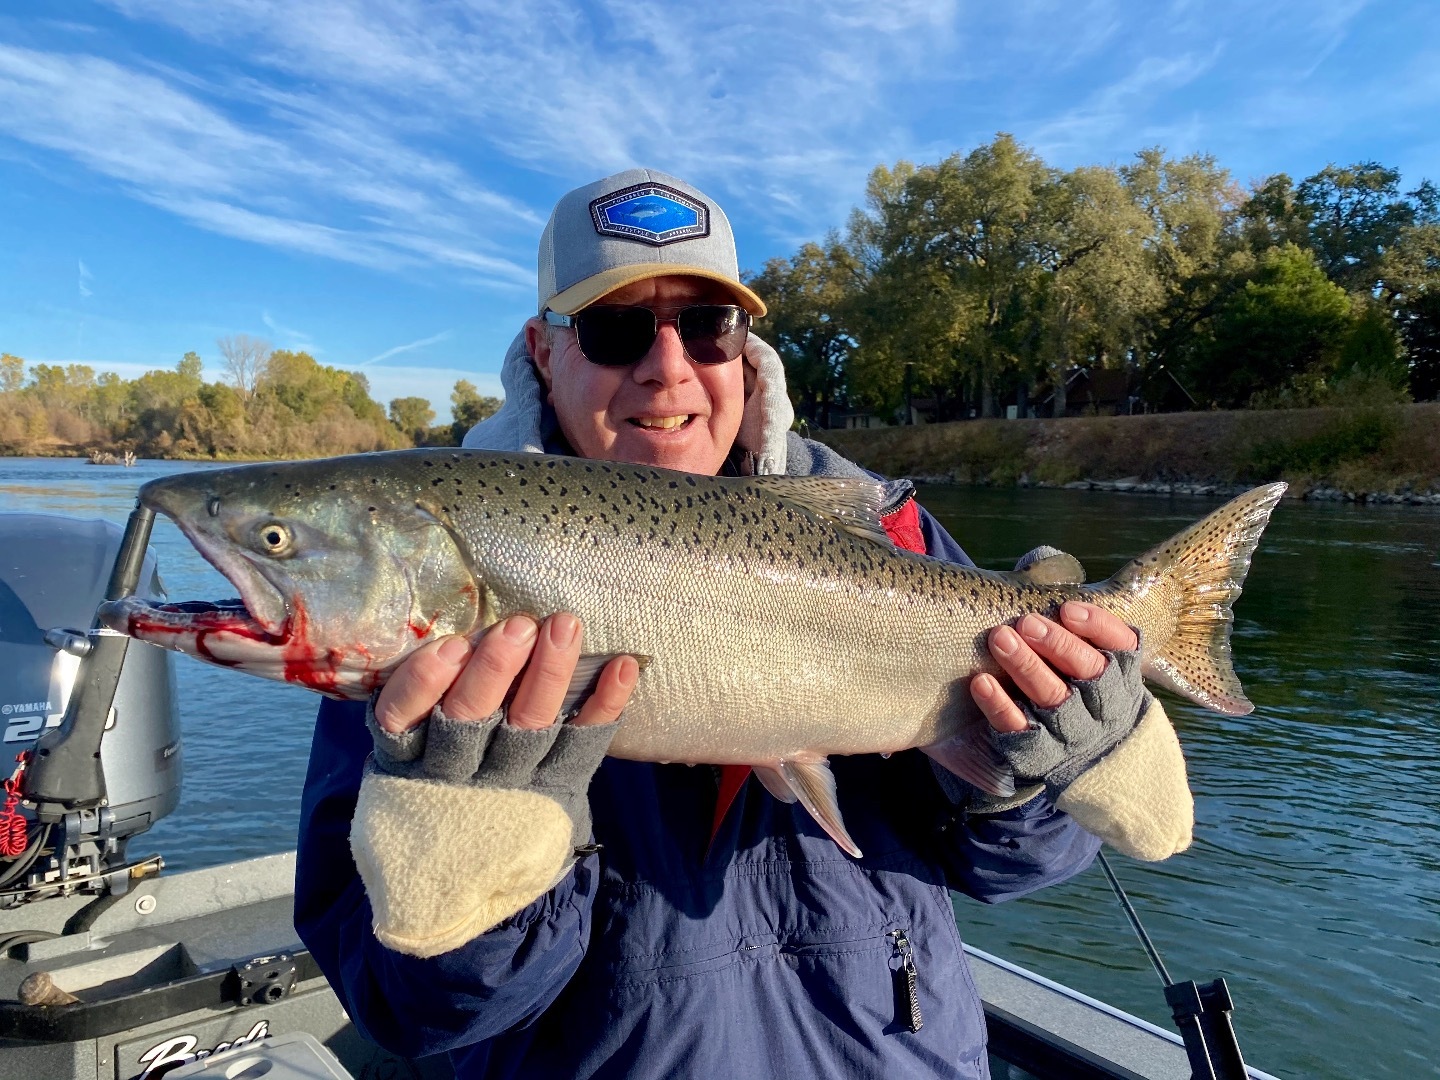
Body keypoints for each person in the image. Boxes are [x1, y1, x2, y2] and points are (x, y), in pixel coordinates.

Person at [295, 169, 1194, 1079]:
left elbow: (1012, 870)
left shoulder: (894, 532)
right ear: (541, 350)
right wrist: (465, 859)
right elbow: (405, 1008)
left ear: (746, 349)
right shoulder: (422, 621)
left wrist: (1035, 777)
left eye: (706, 326)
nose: (667, 365)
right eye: (615, 329)